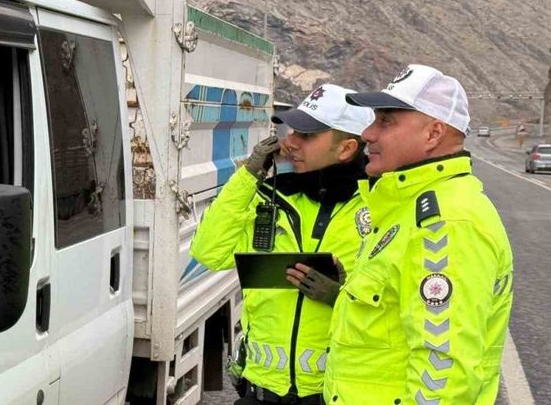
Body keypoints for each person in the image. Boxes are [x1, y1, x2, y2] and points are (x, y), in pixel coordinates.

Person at [321, 64, 513, 404]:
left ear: (433, 134)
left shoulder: (447, 223)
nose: (368, 134)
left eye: (385, 121)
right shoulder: (404, 209)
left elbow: (442, 377)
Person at [191, 84, 374, 404]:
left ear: (346, 149)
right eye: (292, 131)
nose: (290, 142)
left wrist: (340, 298)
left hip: (335, 394)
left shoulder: (377, 208)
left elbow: (397, 308)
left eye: (307, 135)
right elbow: (208, 252)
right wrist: (248, 176)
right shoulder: (266, 198)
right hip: (260, 393)